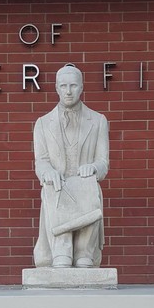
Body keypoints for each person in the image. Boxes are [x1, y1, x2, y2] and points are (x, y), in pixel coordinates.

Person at [33, 64, 109, 268]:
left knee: (89, 188)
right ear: (56, 88)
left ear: (82, 87)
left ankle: (85, 252)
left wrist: (93, 168)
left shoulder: (99, 121)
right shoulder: (42, 123)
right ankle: (61, 251)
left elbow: (103, 162)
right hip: (59, 188)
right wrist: (47, 171)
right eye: (63, 86)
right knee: (51, 186)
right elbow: (41, 160)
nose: (68, 91)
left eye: (73, 86)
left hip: (85, 186)